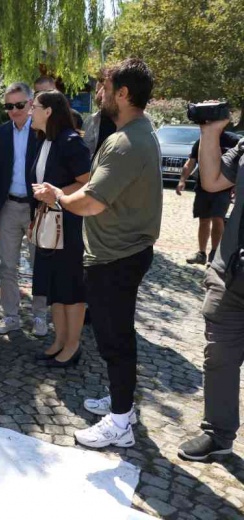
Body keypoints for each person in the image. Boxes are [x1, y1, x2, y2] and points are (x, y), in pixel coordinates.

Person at [34, 58, 162, 449]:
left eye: (105, 87)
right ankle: (122, 401)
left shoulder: (126, 142)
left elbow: (90, 202)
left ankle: (121, 421)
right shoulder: (138, 132)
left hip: (116, 258)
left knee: (115, 338)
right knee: (115, 336)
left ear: (123, 94)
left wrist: (57, 195)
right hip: (122, 253)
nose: (100, 94)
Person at [176, 113, 244, 461]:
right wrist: (210, 131)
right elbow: (212, 178)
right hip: (231, 272)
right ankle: (218, 433)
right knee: (219, 356)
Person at [28, 90, 91, 367]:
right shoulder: (45, 140)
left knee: (71, 288)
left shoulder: (70, 142)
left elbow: (88, 182)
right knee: (53, 286)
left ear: (49, 111)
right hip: (48, 225)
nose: (30, 111)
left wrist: (56, 193)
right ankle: (59, 341)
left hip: (70, 225)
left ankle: (72, 346)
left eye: (34, 106)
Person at [0, 82, 48, 336]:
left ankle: (40, 317)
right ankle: (11, 316)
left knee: (40, 266)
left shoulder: (43, 131)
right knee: (7, 266)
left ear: (31, 103)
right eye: (9, 106)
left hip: (37, 208)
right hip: (9, 207)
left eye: (20, 105)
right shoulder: (1, 133)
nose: (14, 110)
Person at [176, 132, 239, 265]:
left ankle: (214, 255)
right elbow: (191, 162)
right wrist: (182, 180)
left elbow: (240, 164)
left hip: (224, 187)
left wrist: (237, 185)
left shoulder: (233, 140)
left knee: (218, 218)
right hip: (203, 186)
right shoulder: (203, 140)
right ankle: (201, 254)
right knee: (204, 220)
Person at [82, 73, 117, 158]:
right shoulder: (91, 120)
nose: (99, 95)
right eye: (97, 92)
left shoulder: (131, 120)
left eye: (104, 90)